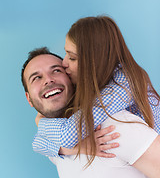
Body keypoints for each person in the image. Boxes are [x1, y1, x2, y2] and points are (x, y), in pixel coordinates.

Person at [21, 47, 160, 178]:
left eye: (56, 70)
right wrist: (71, 148)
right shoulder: (54, 141)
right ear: (29, 99)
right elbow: (38, 143)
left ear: (72, 78)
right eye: (37, 77)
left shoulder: (115, 126)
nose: (48, 80)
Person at [33, 15, 160, 166]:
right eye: (66, 54)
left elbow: (67, 136)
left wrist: (41, 121)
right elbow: (37, 144)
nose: (64, 63)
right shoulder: (94, 85)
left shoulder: (123, 86)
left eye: (72, 58)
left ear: (94, 60)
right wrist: (70, 150)